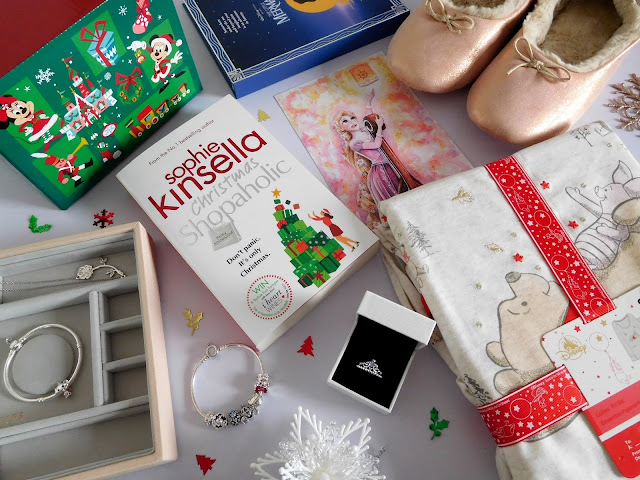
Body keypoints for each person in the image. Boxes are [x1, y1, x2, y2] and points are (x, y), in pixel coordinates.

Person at [332, 90, 421, 212]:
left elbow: (370, 120)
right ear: (341, 128)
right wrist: (379, 127)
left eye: (352, 118)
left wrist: (368, 103)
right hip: (381, 170)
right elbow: (376, 144)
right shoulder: (354, 143)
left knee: (406, 188)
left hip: (389, 165)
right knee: (398, 194)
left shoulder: (364, 130)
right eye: (345, 121)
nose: (351, 121)